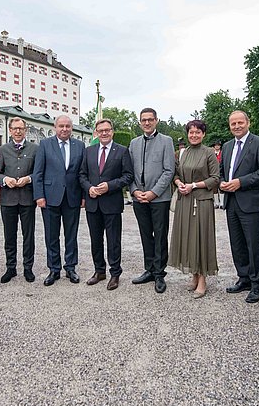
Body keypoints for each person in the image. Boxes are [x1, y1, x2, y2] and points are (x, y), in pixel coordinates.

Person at [220, 110, 259, 303]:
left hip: (250, 202)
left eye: (240, 122)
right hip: (231, 202)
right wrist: (221, 183)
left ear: (248, 122)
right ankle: (243, 278)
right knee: (237, 244)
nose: (236, 126)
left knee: (254, 244)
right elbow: (221, 172)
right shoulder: (227, 147)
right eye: (233, 123)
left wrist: (241, 182)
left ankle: (257, 283)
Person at [79, 119, 134, 291]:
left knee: (113, 241)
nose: (104, 133)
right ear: (96, 132)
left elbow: (128, 176)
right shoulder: (88, 151)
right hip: (93, 204)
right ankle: (99, 271)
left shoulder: (122, 151)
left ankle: (115, 273)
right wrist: (89, 188)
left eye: (107, 130)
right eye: (101, 130)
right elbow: (81, 175)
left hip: (112, 203)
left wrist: (110, 186)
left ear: (112, 132)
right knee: (96, 240)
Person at [170, 120, 220, 298]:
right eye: (191, 132)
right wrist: (179, 183)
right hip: (185, 200)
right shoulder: (183, 153)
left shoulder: (209, 153)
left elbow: (215, 178)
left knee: (201, 238)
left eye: (198, 132)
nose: (194, 135)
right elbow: (175, 174)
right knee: (189, 238)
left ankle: (203, 280)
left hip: (202, 201)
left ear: (203, 134)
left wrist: (193, 185)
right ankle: (194, 275)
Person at [33, 115, 85, 286]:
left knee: (71, 235)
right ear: (55, 127)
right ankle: (54, 269)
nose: (64, 129)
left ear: (72, 128)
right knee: (51, 236)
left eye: (68, 126)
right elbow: (38, 173)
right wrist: (39, 196)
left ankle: (70, 267)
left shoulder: (80, 146)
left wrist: (84, 196)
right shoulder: (45, 145)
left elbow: (82, 174)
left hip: (73, 198)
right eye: (61, 126)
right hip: (49, 198)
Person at [129, 108, 176, 293]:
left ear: (156, 120)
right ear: (140, 122)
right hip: (139, 198)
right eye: (143, 120)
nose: (147, 123)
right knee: (145, 234)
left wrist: (153, 192)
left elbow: (168, 171)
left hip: (159, 199)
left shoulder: (166, 141)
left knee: (160, 236)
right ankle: (149, 269)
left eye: (150, 119)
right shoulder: (134, 143)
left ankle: (159, 273)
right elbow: (129, 171)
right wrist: (134, 191)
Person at [0, 117, 38, 283]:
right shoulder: (3, 149)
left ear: (25, 130)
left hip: (27, 199)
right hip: (8, 199)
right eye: (15, 128)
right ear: (10, 130)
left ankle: (28, 268)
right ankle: (10, 268)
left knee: (28, 236)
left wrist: (29, 179)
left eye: (21, 128)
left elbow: (39, 172)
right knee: (9, 236)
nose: (18, 131)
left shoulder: (35, 149)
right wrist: (5, 180)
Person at [212, 141, 223, 208]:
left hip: (221, 172)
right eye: (216, 145)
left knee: (221, 188)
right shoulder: (212, 154)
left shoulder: (222, 153)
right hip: (213, 173)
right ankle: (216, 203)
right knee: (214, 189)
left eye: (218, 145)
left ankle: (221, 203)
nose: (217, 146)